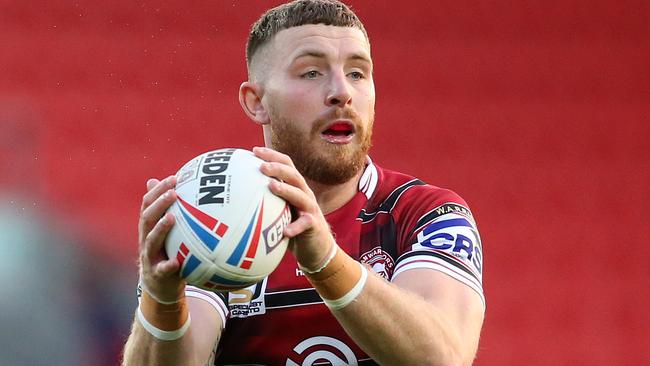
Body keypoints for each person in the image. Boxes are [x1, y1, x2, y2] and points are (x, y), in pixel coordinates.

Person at [122, 0, 485, 365]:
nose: (341, 92)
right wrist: (162, 301)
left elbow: (444, 358)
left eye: (358, 73)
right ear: (256, 101)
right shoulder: (215, 217)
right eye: (311, 73)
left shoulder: (423, 213)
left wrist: (325, 261)